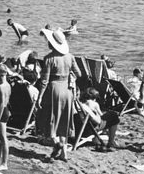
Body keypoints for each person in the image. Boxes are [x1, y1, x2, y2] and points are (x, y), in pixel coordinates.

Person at [37, 28, 81, 162]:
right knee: (64, 120)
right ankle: (64, 154)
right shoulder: (70, 57)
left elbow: (44, 81)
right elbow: (79, 74)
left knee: (51, 118)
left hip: (54, 89)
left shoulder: (49, 58)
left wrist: (39, 96)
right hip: (67, 90)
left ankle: (57, 143)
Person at [79, 87, 120, 152]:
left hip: (81, 128)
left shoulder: (81, 104)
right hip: (92, 128)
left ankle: (96, 139)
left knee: (108, 117)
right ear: (94, 97)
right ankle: (111, 142)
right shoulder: (95, 104)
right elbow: (101, 117)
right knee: (114, 117)